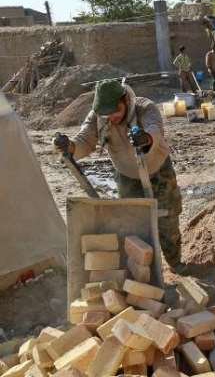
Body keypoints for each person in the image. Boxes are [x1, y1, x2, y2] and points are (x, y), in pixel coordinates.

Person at [53, 80, 184, 270]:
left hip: (157, 171)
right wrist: (69, 146)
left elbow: (155, 129)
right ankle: (144, 269)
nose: (111, 118)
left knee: (167, 219)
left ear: (125, 101)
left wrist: (145, 138)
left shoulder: (144, 107)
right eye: (106, 114)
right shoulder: (98, 117)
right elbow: (84, 141)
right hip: (126, 176)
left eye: (116, 111)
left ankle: (176, 263)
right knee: (133, 223)